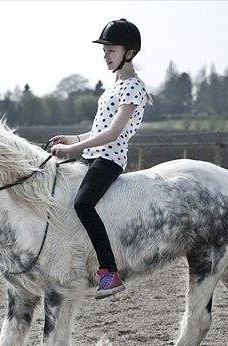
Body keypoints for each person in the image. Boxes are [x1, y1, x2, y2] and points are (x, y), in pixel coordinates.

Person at [49, 18, 151, 299]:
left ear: (128, 53)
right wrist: (73, 139)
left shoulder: (133, 87)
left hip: (109, 159)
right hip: (93, 154)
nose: (105, 56)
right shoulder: (114, 86)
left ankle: (110, 272)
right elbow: (98, 130)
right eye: (104, 51)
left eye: (111, 51)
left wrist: (72, 151)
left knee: (83, 203)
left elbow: (114, 133)